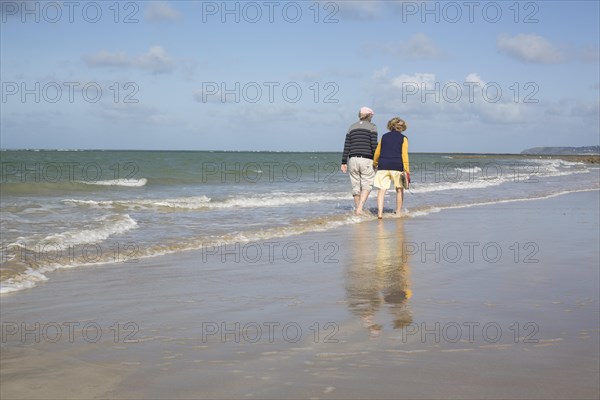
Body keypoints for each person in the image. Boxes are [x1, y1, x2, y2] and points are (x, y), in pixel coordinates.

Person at [341, 106, 378, 215]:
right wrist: (377, 161)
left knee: (355, 185)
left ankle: (358, 208)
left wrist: (343, 162)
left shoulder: (351, 127)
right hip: (366, 159)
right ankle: (360, 208)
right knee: (367, 184)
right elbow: (374, 145)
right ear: (369, 116)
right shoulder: (372, 127)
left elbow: (346, 145)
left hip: (352, 159)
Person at [373, 117, 410, 219]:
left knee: (382, 190)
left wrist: (375, 163)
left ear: (391, 126)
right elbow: (404, 155)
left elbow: (377, 152)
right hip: (397, 166)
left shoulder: (384, 137)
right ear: (402, 127)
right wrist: (407, 170)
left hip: (383, 165)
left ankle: (380, 213)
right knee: (399, 189)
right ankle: (398, 211)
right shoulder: (404, 138)